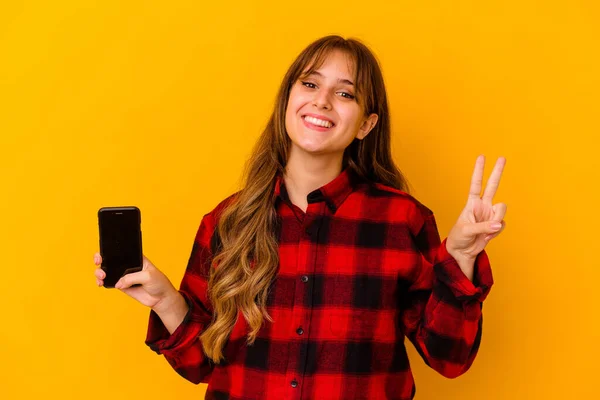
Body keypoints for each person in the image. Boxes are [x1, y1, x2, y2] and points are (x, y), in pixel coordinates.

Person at [93, 35, 506, 400]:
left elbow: (449, 358)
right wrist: (166, 300)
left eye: (346, 93)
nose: (322, 100)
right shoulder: (228, 221)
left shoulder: (402, 220)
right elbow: (201, 365)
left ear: (366, 124)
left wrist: (460, 258)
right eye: (310, 84)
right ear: (288, 100)